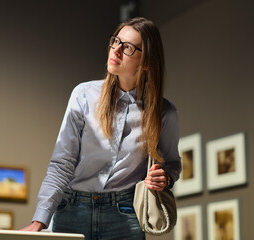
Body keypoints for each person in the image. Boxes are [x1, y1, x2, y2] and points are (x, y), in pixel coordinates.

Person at [21, 17, 181, 239]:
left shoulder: (164, 112)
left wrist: (165, 177)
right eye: (115, 41)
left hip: (125, 215)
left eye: (127, 47)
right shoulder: (83, 95)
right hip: (71, 211)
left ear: (146, 61)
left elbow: (172, 162)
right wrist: (39, 221)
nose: (115, 50)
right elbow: (62, 163)